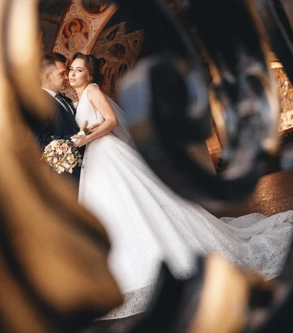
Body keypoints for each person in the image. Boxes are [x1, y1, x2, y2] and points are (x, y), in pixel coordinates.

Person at [69, 52, 293, 319]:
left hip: (107, 152)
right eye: (71, 69)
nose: (73, 73)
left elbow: (112, 121)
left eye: (79, 69)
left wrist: (85, 138)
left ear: (90, 75)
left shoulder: (92, 90)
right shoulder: (76, 99)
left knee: (132, 200)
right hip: (97, 158)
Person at [33, 52, 90, 183]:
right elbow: (44, 142)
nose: (67, 77)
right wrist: (79, 137)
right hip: (68, 175)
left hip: (87, 168)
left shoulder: (65, 100)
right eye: (62, 73)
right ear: (48, 76)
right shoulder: (39, 105)